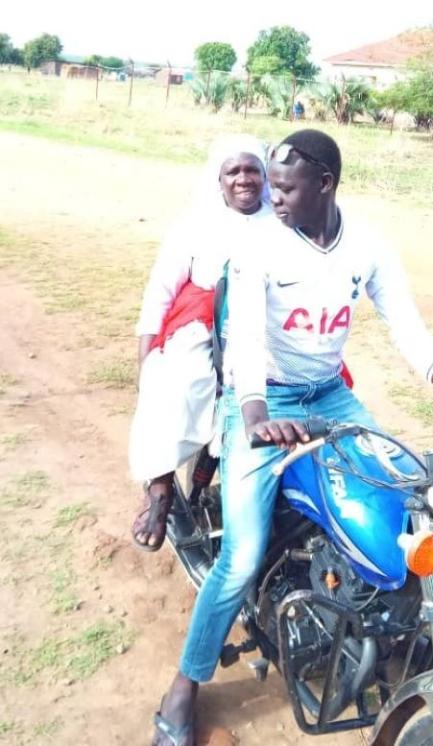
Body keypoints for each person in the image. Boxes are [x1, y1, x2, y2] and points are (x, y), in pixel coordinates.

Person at [151, 128, 433, 745]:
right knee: (241, 555)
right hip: (262, 400)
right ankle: (184, 687)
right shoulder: (260, 250)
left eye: (285, 187)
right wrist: (252, 414)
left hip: (329, 393)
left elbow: (407, 325)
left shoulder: (368, 248)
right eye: (270, 185)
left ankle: (378, 620)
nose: (272, 198)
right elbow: (244, 337)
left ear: (324, 184)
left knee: (406, 497)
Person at [130, 134, 271, 552]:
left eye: (252, 170)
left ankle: (207, 491)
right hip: (200, 318)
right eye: (234, 171)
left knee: (252, 398)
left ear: (266, 177)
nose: (243, 179)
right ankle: (159, 490)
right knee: (180, 384)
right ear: (219, 179)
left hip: (261, 323)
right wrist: (146, 347)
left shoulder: (282, 222)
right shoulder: (196, 224)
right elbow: (161, 287)